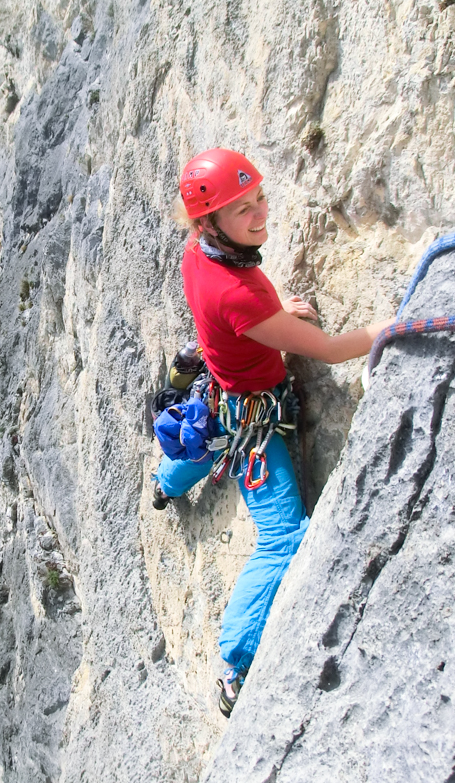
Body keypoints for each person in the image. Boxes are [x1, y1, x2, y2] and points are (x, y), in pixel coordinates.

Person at [153, 149, 391, 717]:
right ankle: (235, 666)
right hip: (251, 413)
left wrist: (273, 312)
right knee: (283, 537)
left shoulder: (199, 254)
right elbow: (331, 350)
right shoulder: (238, 293)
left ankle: (166, 484)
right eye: (243, 208)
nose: (261, 213)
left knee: (208, 440)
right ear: (210, 222)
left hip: (219, 384)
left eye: (259, 197)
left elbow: (234, 307)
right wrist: (390, 328)